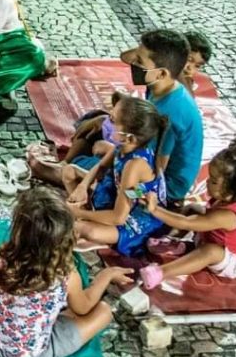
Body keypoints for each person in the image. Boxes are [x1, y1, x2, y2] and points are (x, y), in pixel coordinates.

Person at [32, 30, 203, 209]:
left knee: (90, 167)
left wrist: (112, 151)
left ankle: (68, 173)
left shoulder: (170, 116)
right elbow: (125, 57)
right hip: (141, 150)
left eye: (140, 61)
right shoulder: (161, 84)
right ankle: (66, 165)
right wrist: (106, 122)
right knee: (95, 120)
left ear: (161, 73)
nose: (134, 63)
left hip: (162, 187)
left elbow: (155, 171)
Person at [0, 188, 131, 357]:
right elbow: (84, 308)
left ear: (18, 229)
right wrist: (106, 276)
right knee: (103, 311)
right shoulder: (65, 274)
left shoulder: (4, 256)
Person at [140, 140, 236, 289]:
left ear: (233, 189)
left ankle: (160, 273)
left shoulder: (229, 216)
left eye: (213, 181)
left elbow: (186, 223)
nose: (207, 182)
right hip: (210, 238)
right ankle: (174, 241)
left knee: (210, 251)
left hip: (234, 261)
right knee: (194, 208)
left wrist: (155, 209)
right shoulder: (225, 198)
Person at [66, 96, 169, 257]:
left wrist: (78, 214)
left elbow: (119, 218)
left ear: (129, 137)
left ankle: (91, 222)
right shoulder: (123, 146)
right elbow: (100, 167)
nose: (107, 122)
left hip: (135, 221)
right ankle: (89, 213)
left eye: (112, 120)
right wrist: (82, 187)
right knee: (69, 172)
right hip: (122, 196)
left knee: (82, 229)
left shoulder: (134, 166)